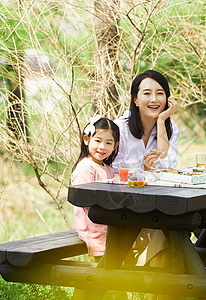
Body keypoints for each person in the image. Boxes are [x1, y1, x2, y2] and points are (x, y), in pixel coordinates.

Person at [71, 116, 120, 260]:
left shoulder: (108, 169)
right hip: (93, 229)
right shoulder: (85, 169)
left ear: (115, 146)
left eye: (108, 142)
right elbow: (85, 200)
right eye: (98, 141)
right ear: (86, 140)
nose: (102, 147)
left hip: (108, 226)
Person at [112, 69, 179, 172]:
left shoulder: (171, 127)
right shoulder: (120, 128)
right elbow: (113, 171)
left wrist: (161, 121)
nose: (154, 99)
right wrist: (144, 171)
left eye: (160, 93)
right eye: (147, 93)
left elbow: (169, 168)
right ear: (136, 100)